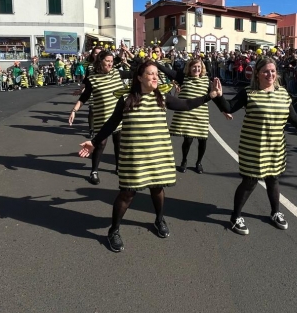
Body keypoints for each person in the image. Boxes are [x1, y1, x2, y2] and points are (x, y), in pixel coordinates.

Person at [77, 61, 222, 252]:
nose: (155, 77)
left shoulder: (162, 97)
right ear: (139, 78)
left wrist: (210, 96)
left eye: (156, 74)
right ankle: (113, 231)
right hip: (134, 157)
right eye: (150, 74)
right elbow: (111, 124)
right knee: (127, 193)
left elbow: (186, 104)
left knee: (157, 188)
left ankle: (159, 220)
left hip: (157, 154)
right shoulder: (127, 100)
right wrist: (94, 142)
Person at [213, 57, 297, 236]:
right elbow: (229, 107)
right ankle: (235, 217)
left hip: (275, 146)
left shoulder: (283, 93)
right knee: (250, 181)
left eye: (272, 71)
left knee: (273, 179)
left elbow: (293, 117)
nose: (269, 74)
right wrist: (218, 96)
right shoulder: (248, 92)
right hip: (253, 147)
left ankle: (275, 212)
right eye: (265, 71)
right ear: (257, 73)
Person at [69, 51, 131, 185]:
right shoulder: (93, 79)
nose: (110, 63)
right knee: (100, 143)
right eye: (107, 61)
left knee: (118, 142)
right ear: (100, 61)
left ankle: (118, 167)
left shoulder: (116, 73)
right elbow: (84, 98)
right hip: (101, 117)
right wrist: (74, 110)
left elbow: (135, 73)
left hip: (118, 116)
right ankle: (94, 171)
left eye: (112, 61)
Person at [156, 57, 215, 173]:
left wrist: (225, 110)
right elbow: (168, 72)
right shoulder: (184, 78)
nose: (196, 69)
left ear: (202, 68)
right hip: (187, 115)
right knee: (188, 139)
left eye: (198, 67)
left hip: (201, 115)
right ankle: (184, 161)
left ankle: (199, 163)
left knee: (202, 140)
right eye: (194, 67)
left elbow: (215, 96)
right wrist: (155, 64)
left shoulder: (206, 81)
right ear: (189, 68)